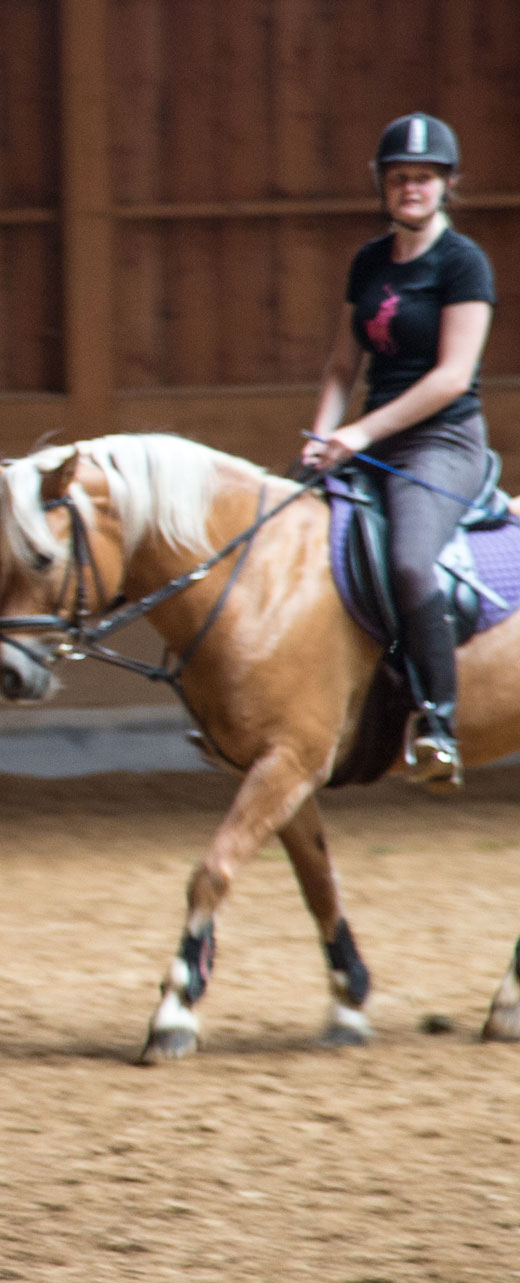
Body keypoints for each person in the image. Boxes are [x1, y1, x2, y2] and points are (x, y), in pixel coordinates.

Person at [300, 112, 497, 791]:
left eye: (423, 178)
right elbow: (339, 367)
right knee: (287, 537)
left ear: (446, 185)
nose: (410, 188)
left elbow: (449, 377)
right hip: (370, 438)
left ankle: (438, 724)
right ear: (383, 186)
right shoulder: (369, 262)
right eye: (399, 177)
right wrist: (320, 434)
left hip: (440, 442)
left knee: (411, 562)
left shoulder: (463, 263)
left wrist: (358, 433)